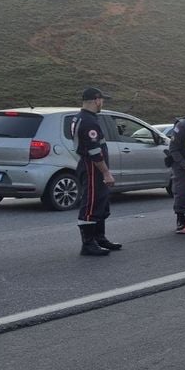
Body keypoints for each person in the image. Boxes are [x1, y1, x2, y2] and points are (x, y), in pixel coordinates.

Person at [72, 87, 119, 256]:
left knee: (101, 202)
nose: (102, 103)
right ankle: (88, 243)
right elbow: (94, 150)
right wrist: (106, 172)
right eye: (102, 100)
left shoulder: (83, 117)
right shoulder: (88, 122)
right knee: (91, 204)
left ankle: (100, 238)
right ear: (97, 100)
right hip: (92, 167)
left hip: (91, 165)